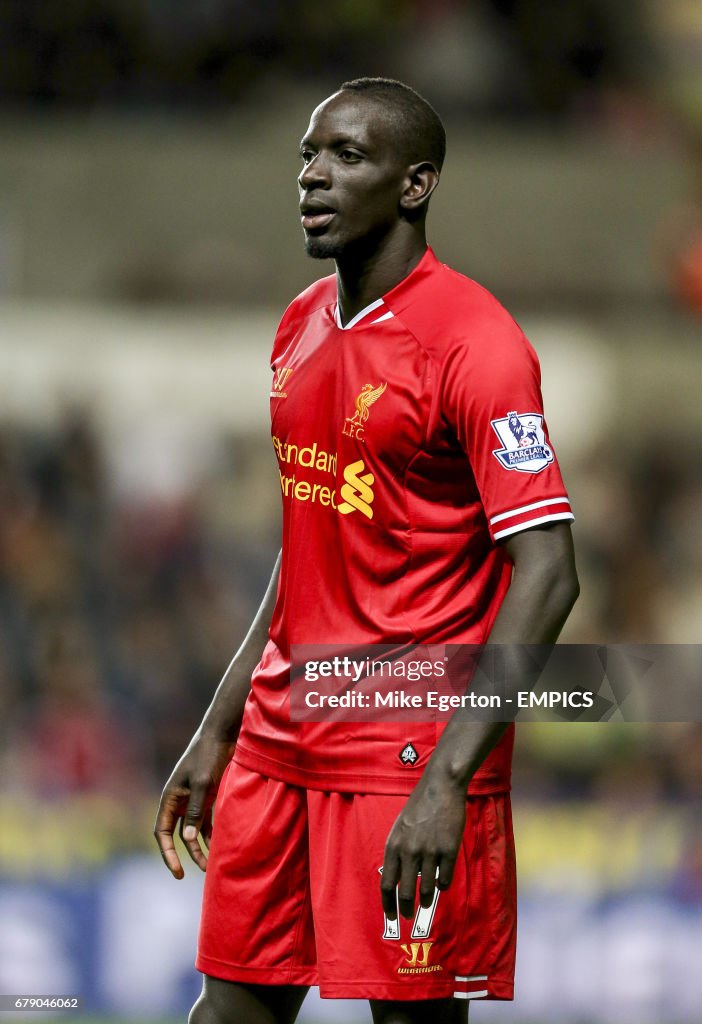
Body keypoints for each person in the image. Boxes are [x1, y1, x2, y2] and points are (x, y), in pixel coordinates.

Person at [154, 77, 579, 1024]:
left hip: (401, 749)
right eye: (308, 154)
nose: (312, 176)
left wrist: (448, 780)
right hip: (281, 736)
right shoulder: (299, 323)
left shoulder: (478, 344)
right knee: (227, 1015)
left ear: (415, 185)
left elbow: (549, 569)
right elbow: (308, 547)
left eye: (347, 157)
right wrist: (220, 728)